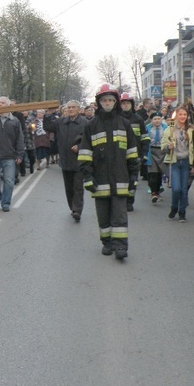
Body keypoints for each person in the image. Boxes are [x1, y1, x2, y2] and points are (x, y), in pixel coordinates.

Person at [78, 84, 140, 260]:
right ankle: (107, 243)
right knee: (103, 216)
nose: (108, 102)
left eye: (111, 100)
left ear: (116, 102)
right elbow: (85, 154)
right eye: (104, 100)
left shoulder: (125, 124)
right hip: (100, 180)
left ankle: (121, 246)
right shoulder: (91, 126)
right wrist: (88, 177)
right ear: (99, 102)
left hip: (121, 178)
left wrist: (134, 176)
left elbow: (132, 153)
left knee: (120, 215)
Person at [44, 100, 87, 222]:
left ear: (79, 109)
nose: (71, 109)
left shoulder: (85, 123)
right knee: (69, 187)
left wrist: (80, 146)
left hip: (79, 160)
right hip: (65, 160)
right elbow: (47, 127)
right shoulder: (60, 122)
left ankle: (77, 210)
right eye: (69, 107)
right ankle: (72, 207)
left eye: (74, 107)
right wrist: (48, 114)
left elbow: (89, 139)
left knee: (78, 187)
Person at [0, 96, 24, 212]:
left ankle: (5, 203)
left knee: (9, 181)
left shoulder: (14, 121)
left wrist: (20, 154)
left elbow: (20, 139)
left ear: (8, 105)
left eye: (2, 103)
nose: (0, 104)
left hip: (9, 156)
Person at [161, 106, 194, 222]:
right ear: (176, 116)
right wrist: (168, 147)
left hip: (185, 162)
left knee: (184, 189)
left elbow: (193, 147)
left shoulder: (190, 130)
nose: (182, 117)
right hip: (174, 162)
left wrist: (193, 164)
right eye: (180, 114)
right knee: (176, 188)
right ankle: (174, 207)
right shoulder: (169, 130)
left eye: (184, 115)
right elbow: (163, 147)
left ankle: (182, 211)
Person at [119, 94, 149, 211]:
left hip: (135, 155)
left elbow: (145, 138)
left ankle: (130, 201)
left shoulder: (138, 119)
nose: (125, 105)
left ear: (131, 105)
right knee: (121, 180)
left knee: (133, 180)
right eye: (123, 103)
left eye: (128, 103)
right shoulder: (116, 119)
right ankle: (122, 200)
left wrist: (145, 154)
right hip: (119, 156)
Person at [146, 112, 167, 203]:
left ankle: (157, 191)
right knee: (153, 173)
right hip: (152, 152)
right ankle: (153, 193)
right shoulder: (148, 128)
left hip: (162, 152)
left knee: (159, 174)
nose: (157, 121)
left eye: (159, 118)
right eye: (155, 119)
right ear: (151, 120)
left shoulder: (166, 128)